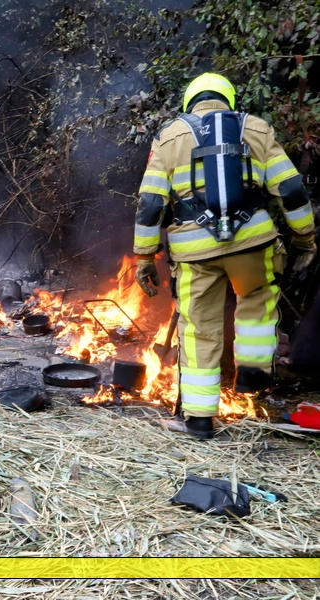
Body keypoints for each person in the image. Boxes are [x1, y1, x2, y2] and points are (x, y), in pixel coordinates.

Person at [133, 72, 317, 439]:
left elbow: (150, 204)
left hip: (194, 254)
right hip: (252, 244)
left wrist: (144, 257)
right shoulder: (256, 128)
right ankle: (252, 378)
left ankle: (199, 420)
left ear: (190, 102)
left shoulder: (169, 137)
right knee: (256, 306)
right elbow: (291, 190)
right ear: (229, 100)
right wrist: (305, 238)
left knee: (199, 329)